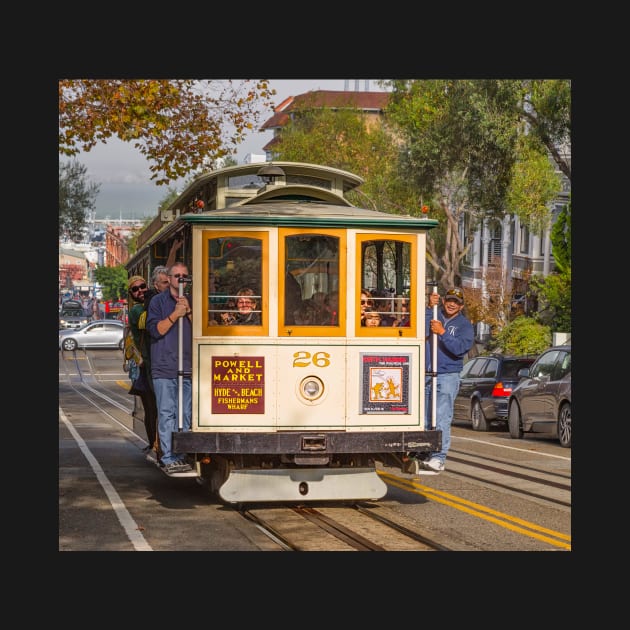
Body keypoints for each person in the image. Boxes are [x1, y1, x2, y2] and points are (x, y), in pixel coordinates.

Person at [419, 287, 474, 472]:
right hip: (426, 373)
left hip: (447, 375)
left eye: (456, 302)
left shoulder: (464, 325)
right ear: (443, 301)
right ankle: (425, 452)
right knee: (425, 418)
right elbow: (420, 330)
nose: (452, 304)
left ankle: (439, 457)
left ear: (461, 306)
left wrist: (442, 332)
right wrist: (429, 306)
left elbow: (460, 349)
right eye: (449, 300)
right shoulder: (434, 314)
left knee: (442, 416)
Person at [146, 262, 193, 473]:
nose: (180, 279)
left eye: (184, 276)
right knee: (167, 413)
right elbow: (156, 330)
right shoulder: (157, 302)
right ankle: (168, 456)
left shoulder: (192, 301)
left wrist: (189, 311)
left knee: (186, 413)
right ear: (170, 278)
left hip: (188, 366)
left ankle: (183, 454)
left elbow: (203, 329)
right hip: (164, 367)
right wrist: (176, 313)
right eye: (176, 276)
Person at [127, 275, 160, 457]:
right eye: (135, 289)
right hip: (145, 365)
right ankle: (153, 443)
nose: (140, 291)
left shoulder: (150, 302)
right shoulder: (136, 311)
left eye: (142, 286)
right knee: (151, 407)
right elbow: (151, 323)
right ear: (131, 294)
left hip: (156, 362)